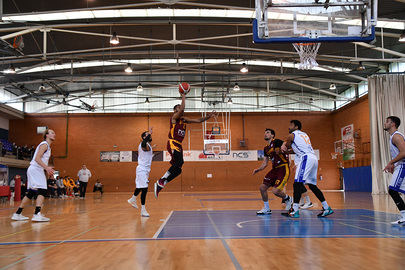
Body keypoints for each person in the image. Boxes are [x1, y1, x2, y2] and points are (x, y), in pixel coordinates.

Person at [154, 92, 216, 198]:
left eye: (180, 107)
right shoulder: (174, 118)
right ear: (175, 111)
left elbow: (198, 120)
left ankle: (162, 183)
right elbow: (182, 109)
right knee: (178, 162)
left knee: (179, 168)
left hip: (179, 145)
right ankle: (161, 180)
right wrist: (183, 95)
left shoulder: (184, 120)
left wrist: (208, 117)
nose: (181, 109)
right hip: (172, 142)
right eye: (178, 107)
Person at [281, 120, 333, 218]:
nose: (288, 127)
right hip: (313, 158)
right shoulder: (304, 134)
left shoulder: (292, 135)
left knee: (297, 183)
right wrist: (288, 152)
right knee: (312, 185)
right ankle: (326, 208)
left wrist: (283, 146)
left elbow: (286, 145)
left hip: (305, 158)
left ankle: (295, 210)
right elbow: (296, 149)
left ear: (296, 127)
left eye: (290, 125)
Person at [11, 128, 55, 222]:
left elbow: (40, 160)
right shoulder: (44, 145)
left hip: (35, 169)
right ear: (46, 135)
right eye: (52, 133)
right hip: (35, 169)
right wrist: (47, 168)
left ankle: (17, 214)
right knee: (42, 190)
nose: (54, 134)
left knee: (31, 193)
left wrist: (47, 170)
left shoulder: (46, 146)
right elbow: (37, 159)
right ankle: (37, 214)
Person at [253, 128, 293, 215]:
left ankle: (288, 198)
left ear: (272, 135)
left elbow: (285, 145)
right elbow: (265, 163)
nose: (265, 134)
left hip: (283, 168)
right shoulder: (266, 149)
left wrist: (286, 152)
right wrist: (258, 169)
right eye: (265, 133)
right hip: (274, 169)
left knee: (275, 191)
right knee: (262, 188)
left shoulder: (277, 141)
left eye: (267, 133)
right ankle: (267, 208)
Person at [383, 116, 405, 225]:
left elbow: (404, 152)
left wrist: (391, 162)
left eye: (387, 121)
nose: (385, 123)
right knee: (394, 190)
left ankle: (404, 216)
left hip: (403, 166)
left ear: (393, 124)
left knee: (392, 190)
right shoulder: (393, 136)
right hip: (400, 165)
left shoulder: (396, 136)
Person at [128, 127, 155, 217]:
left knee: (141, 187)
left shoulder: (148, 145)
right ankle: (143, 210)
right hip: (142, 169)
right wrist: (150, 133)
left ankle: (132, 199)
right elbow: (144, 143)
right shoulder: (143, 144)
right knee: (144, 188)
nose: (149, 136)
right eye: (147, 135)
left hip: (145, 170)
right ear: (144, 137)